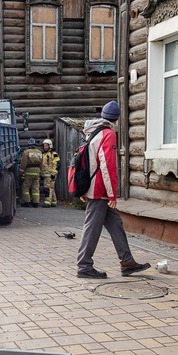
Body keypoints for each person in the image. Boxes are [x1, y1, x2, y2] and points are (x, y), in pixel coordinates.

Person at [76, 100, 150, 279]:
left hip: (94, 187)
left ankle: (127, 262)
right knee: (92, 228)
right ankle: (84, 266)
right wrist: (112, 194)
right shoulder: (108, 134)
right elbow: (108, 166)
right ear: (117, 118)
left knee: (115, 224)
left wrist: (83, 189)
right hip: (100, 190)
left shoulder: (93, 131)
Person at [19, 138, 44, 207]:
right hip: (37, 171)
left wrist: (21, 171)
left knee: (26, 187)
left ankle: (27, 202)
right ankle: (36, 203)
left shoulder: (26, 152)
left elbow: (24, 163)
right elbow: (42, 163)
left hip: (29, 171)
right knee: (35, 187)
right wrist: (41, 172)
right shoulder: (39, 152)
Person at [40, 139, 60, 208]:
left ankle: (47, 202)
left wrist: (53, 174)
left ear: (50, 146)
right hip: (46, 174)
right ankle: (54, 202)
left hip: (51, 174)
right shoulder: (44, 154)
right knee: (51, 188)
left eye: (46, 146)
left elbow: (57, 164)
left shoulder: (54, 154)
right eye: (44, 146)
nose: (45, 147)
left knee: (47, 189)